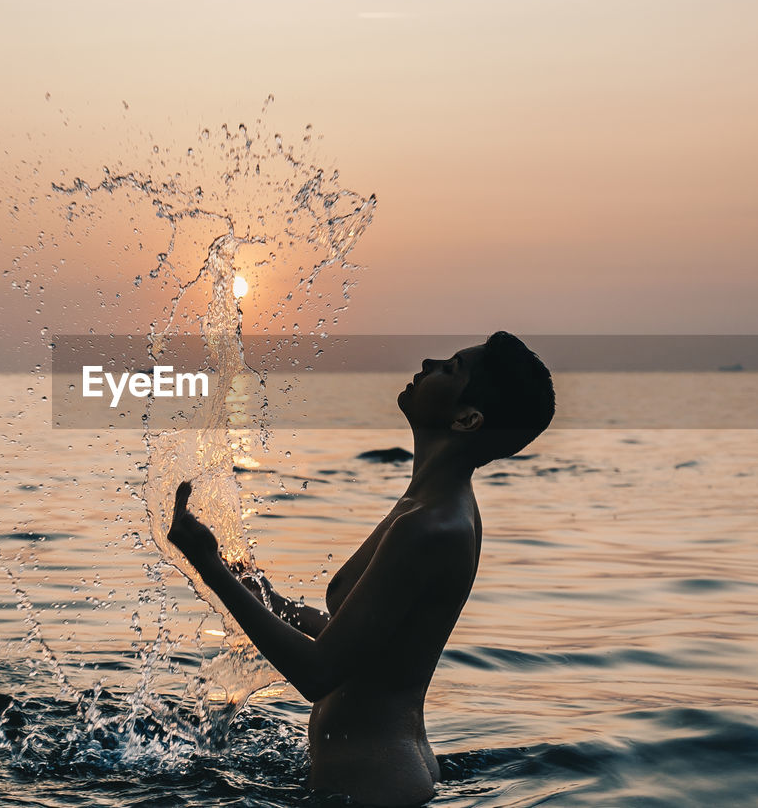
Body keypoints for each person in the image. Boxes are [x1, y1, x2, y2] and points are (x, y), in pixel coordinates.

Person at [167, 331, 555, 807]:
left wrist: (208, 566)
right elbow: (366, 643)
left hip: (371, 789)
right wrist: (267, 596)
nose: (429, 361)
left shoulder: (431, 525)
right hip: (376, 778)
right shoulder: (433, 504)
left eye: (451, 368)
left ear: (467, 418)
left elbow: (319, 672)